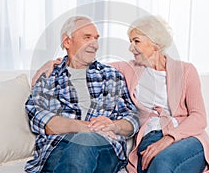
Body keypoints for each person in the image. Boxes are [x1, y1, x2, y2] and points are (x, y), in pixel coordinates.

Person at [32, 15, 209, 173]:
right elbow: (84, 62)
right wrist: (53, 62)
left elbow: (199, 117)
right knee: (157, 165)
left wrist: (169, 138)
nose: (131, 48)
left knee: (163, 164)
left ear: (155, 44)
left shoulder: (186, 70)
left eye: (136, 41)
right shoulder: (129, 69)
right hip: (149, 139)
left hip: (185, 138)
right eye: (130, 41)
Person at [25, 16, 139, 173]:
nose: (95, 44)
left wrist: (114, 126)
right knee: (81, 146)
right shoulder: (49, 76)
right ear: (67, 42)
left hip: (104, 146)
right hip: (58, 146)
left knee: (84, 142)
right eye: (87, 37)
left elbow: (131, 119)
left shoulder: (111, 75)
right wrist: (86, 127)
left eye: (96, 38)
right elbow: (40, 119)